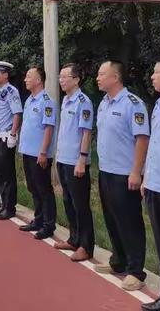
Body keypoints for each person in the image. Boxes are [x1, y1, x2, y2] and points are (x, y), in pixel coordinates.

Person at [95, 60, 149, 292]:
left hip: (125, 174)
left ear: (115, 77)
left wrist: (136, 171)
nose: (97, 77)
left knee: (130, 222)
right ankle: (119, 260)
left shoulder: (132, 104)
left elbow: (142, 139)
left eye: (101, 73)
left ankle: (136, 270)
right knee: (112, 218)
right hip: (106, 171)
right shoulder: (104, 103)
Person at [55, 63, 95, 262]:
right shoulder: (66, 100)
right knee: (68, 202)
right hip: (63, 159)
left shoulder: (83, 101)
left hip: (76, 162)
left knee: (80, 205)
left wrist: (82, 159)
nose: (61, 80)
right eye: (60, 77)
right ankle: (74, 238)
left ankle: (86, 246)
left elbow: (86, 132)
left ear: (76, 79)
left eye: (65, 77)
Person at [141, 54, 160, 311]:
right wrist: (146, 177)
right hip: (155, 186)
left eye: (156, 72)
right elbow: (154, 147)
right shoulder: (159, 105)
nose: (152, 76)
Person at [18, 66, 57, 240]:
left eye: (28, 76)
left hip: (39, 154)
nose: (25, 79)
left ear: (38, 80)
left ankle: (49, 225)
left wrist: (43, 152)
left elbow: (48, 128)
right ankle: (38, 220)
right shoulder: (29, 100)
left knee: (44, 189)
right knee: (33, 188)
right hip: (27, 151)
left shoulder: (46, 101)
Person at [0, 60, 22, 220]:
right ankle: (3, 204)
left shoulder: (11, 91)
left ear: (5, 74)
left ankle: (9, 207)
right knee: (0, 173)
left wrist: (13, 134)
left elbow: (16, 113)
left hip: (5, 137)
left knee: (7, 174)